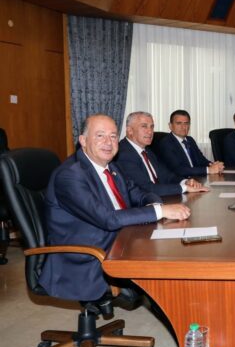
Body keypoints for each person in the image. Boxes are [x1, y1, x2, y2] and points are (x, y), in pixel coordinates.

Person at [39, 114, 190, 302]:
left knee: (175, 246)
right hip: (86, 254)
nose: (108, 142)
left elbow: (139, 193)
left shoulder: (111, 166)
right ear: (83, 141)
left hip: (117, 238)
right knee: (163, 265)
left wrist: (156, 205)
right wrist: (160, 211)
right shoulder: (70, 175)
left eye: (113, 136)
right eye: (100, 135)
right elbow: (108, 219)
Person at [114, 112, 209, 197]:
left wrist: (185, 182)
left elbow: (167, 176)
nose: (150, 131)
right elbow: (146, 188)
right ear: (130, 130)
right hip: (143, 206)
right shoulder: (122, 154)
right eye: (144, 126)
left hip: (160, 198)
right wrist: (184, 188)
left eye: (152, 127)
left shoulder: (147, 151)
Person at [156, 109, 224, 178]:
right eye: (179, 123)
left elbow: (202, 160)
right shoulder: (166, 143)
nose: (183, 127)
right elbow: (179, 170)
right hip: (179, 181)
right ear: (170, 126)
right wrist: (208, 170)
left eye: (186, 123)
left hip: (196, 179)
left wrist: (214, 165)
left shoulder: (190, 140)